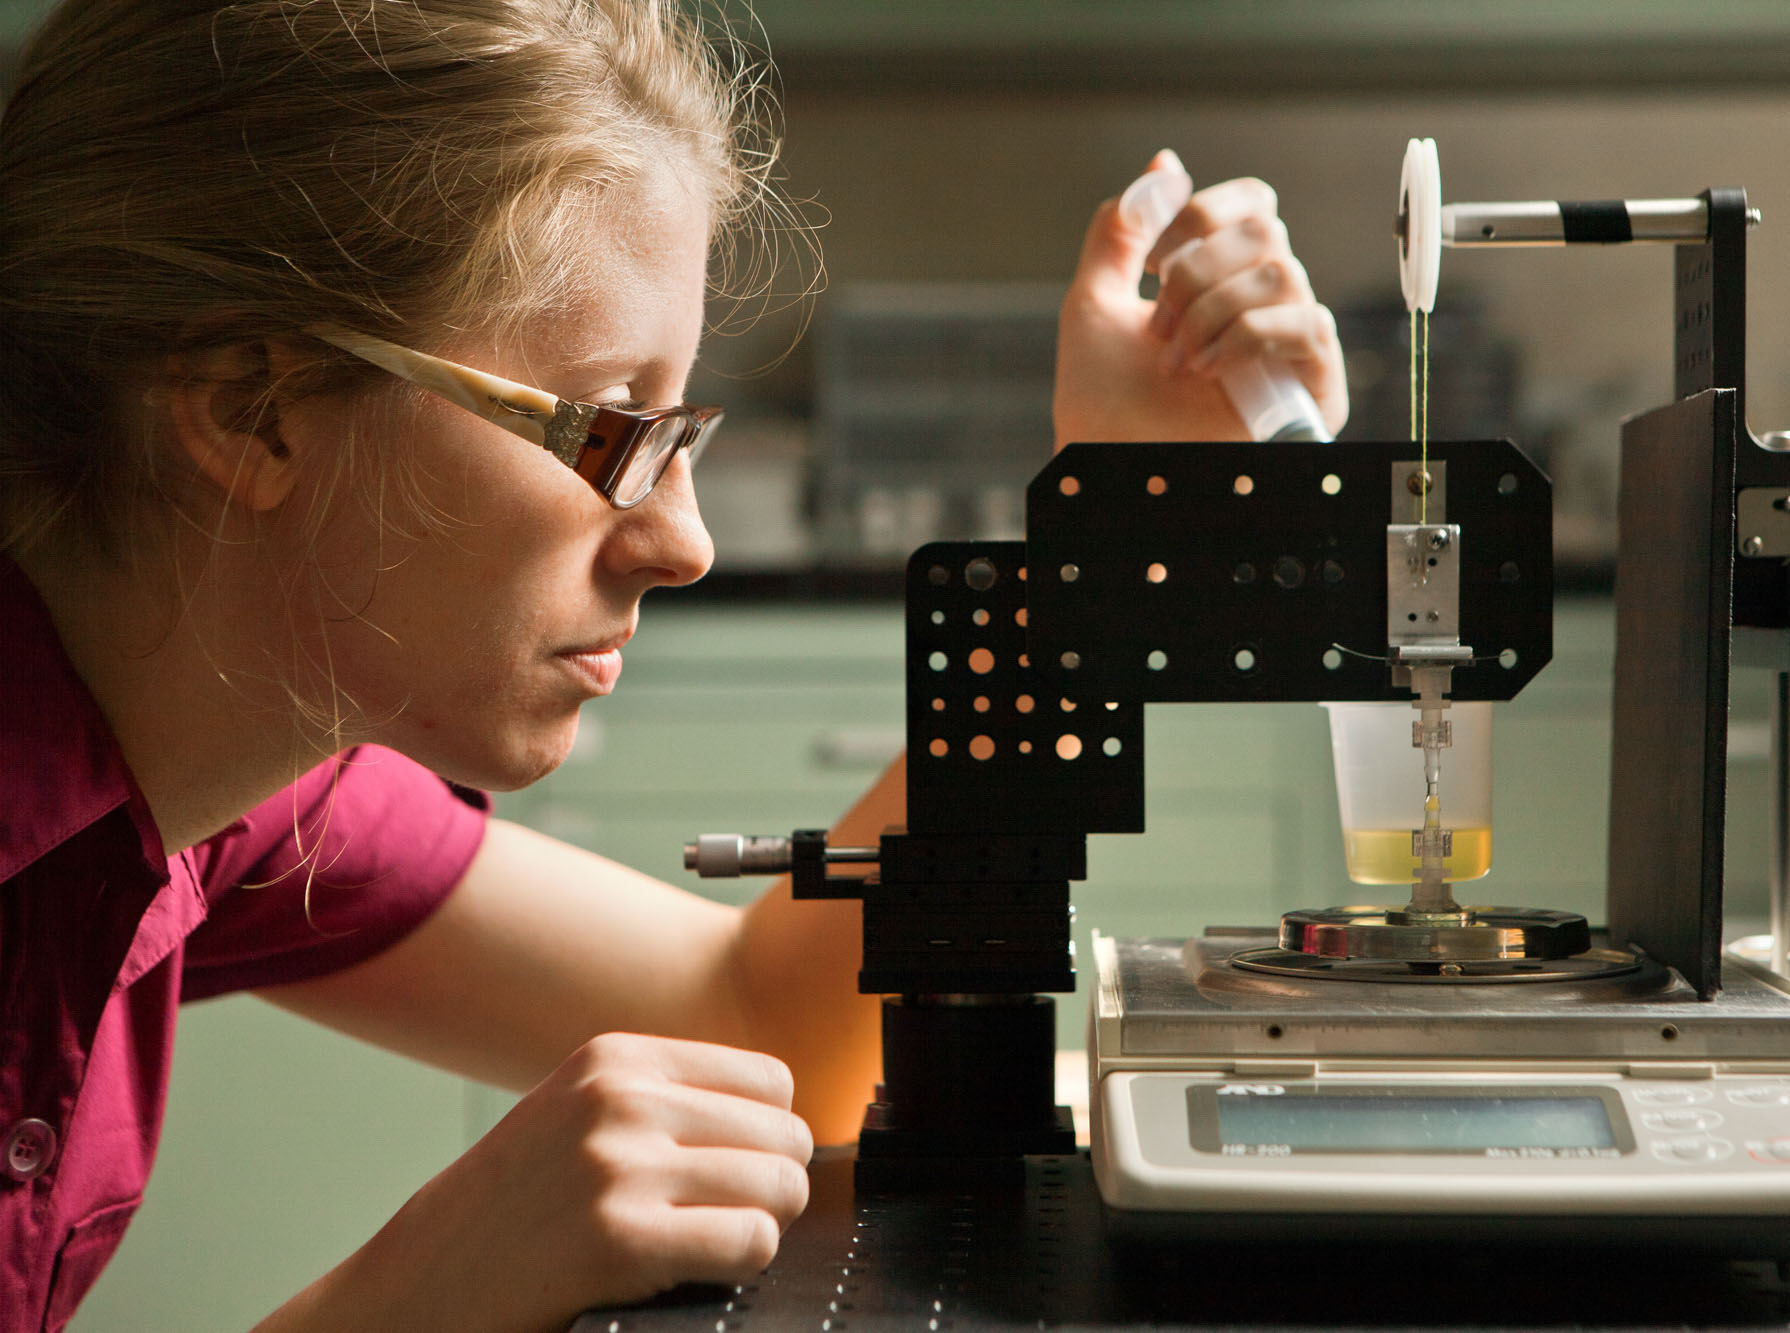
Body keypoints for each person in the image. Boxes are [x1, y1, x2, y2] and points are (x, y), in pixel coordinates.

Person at [0, 1, 1347, 1329]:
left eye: (681, 430)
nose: (682, 541)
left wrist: (1114, 537)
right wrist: (409, 1297)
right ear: (252, 407)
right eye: (607, 431)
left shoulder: (233, 787)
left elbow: (755, 1019)